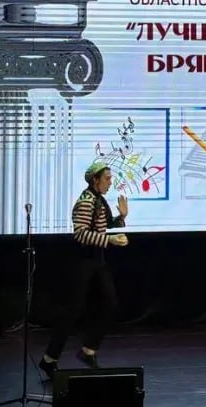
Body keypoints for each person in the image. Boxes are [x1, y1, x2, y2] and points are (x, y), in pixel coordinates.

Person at [40, 162, 130, 379]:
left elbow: (101, 224)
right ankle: (49, 359)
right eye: (107, 178)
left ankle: (88, 350)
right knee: (73, 311)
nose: (110, 182)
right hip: (83, 262)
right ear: (95, 180)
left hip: (97, 260)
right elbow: (80, 233)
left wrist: (121, 218)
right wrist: (109, 240)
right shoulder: (86, 202)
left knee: (110, 302)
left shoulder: (98, 199)